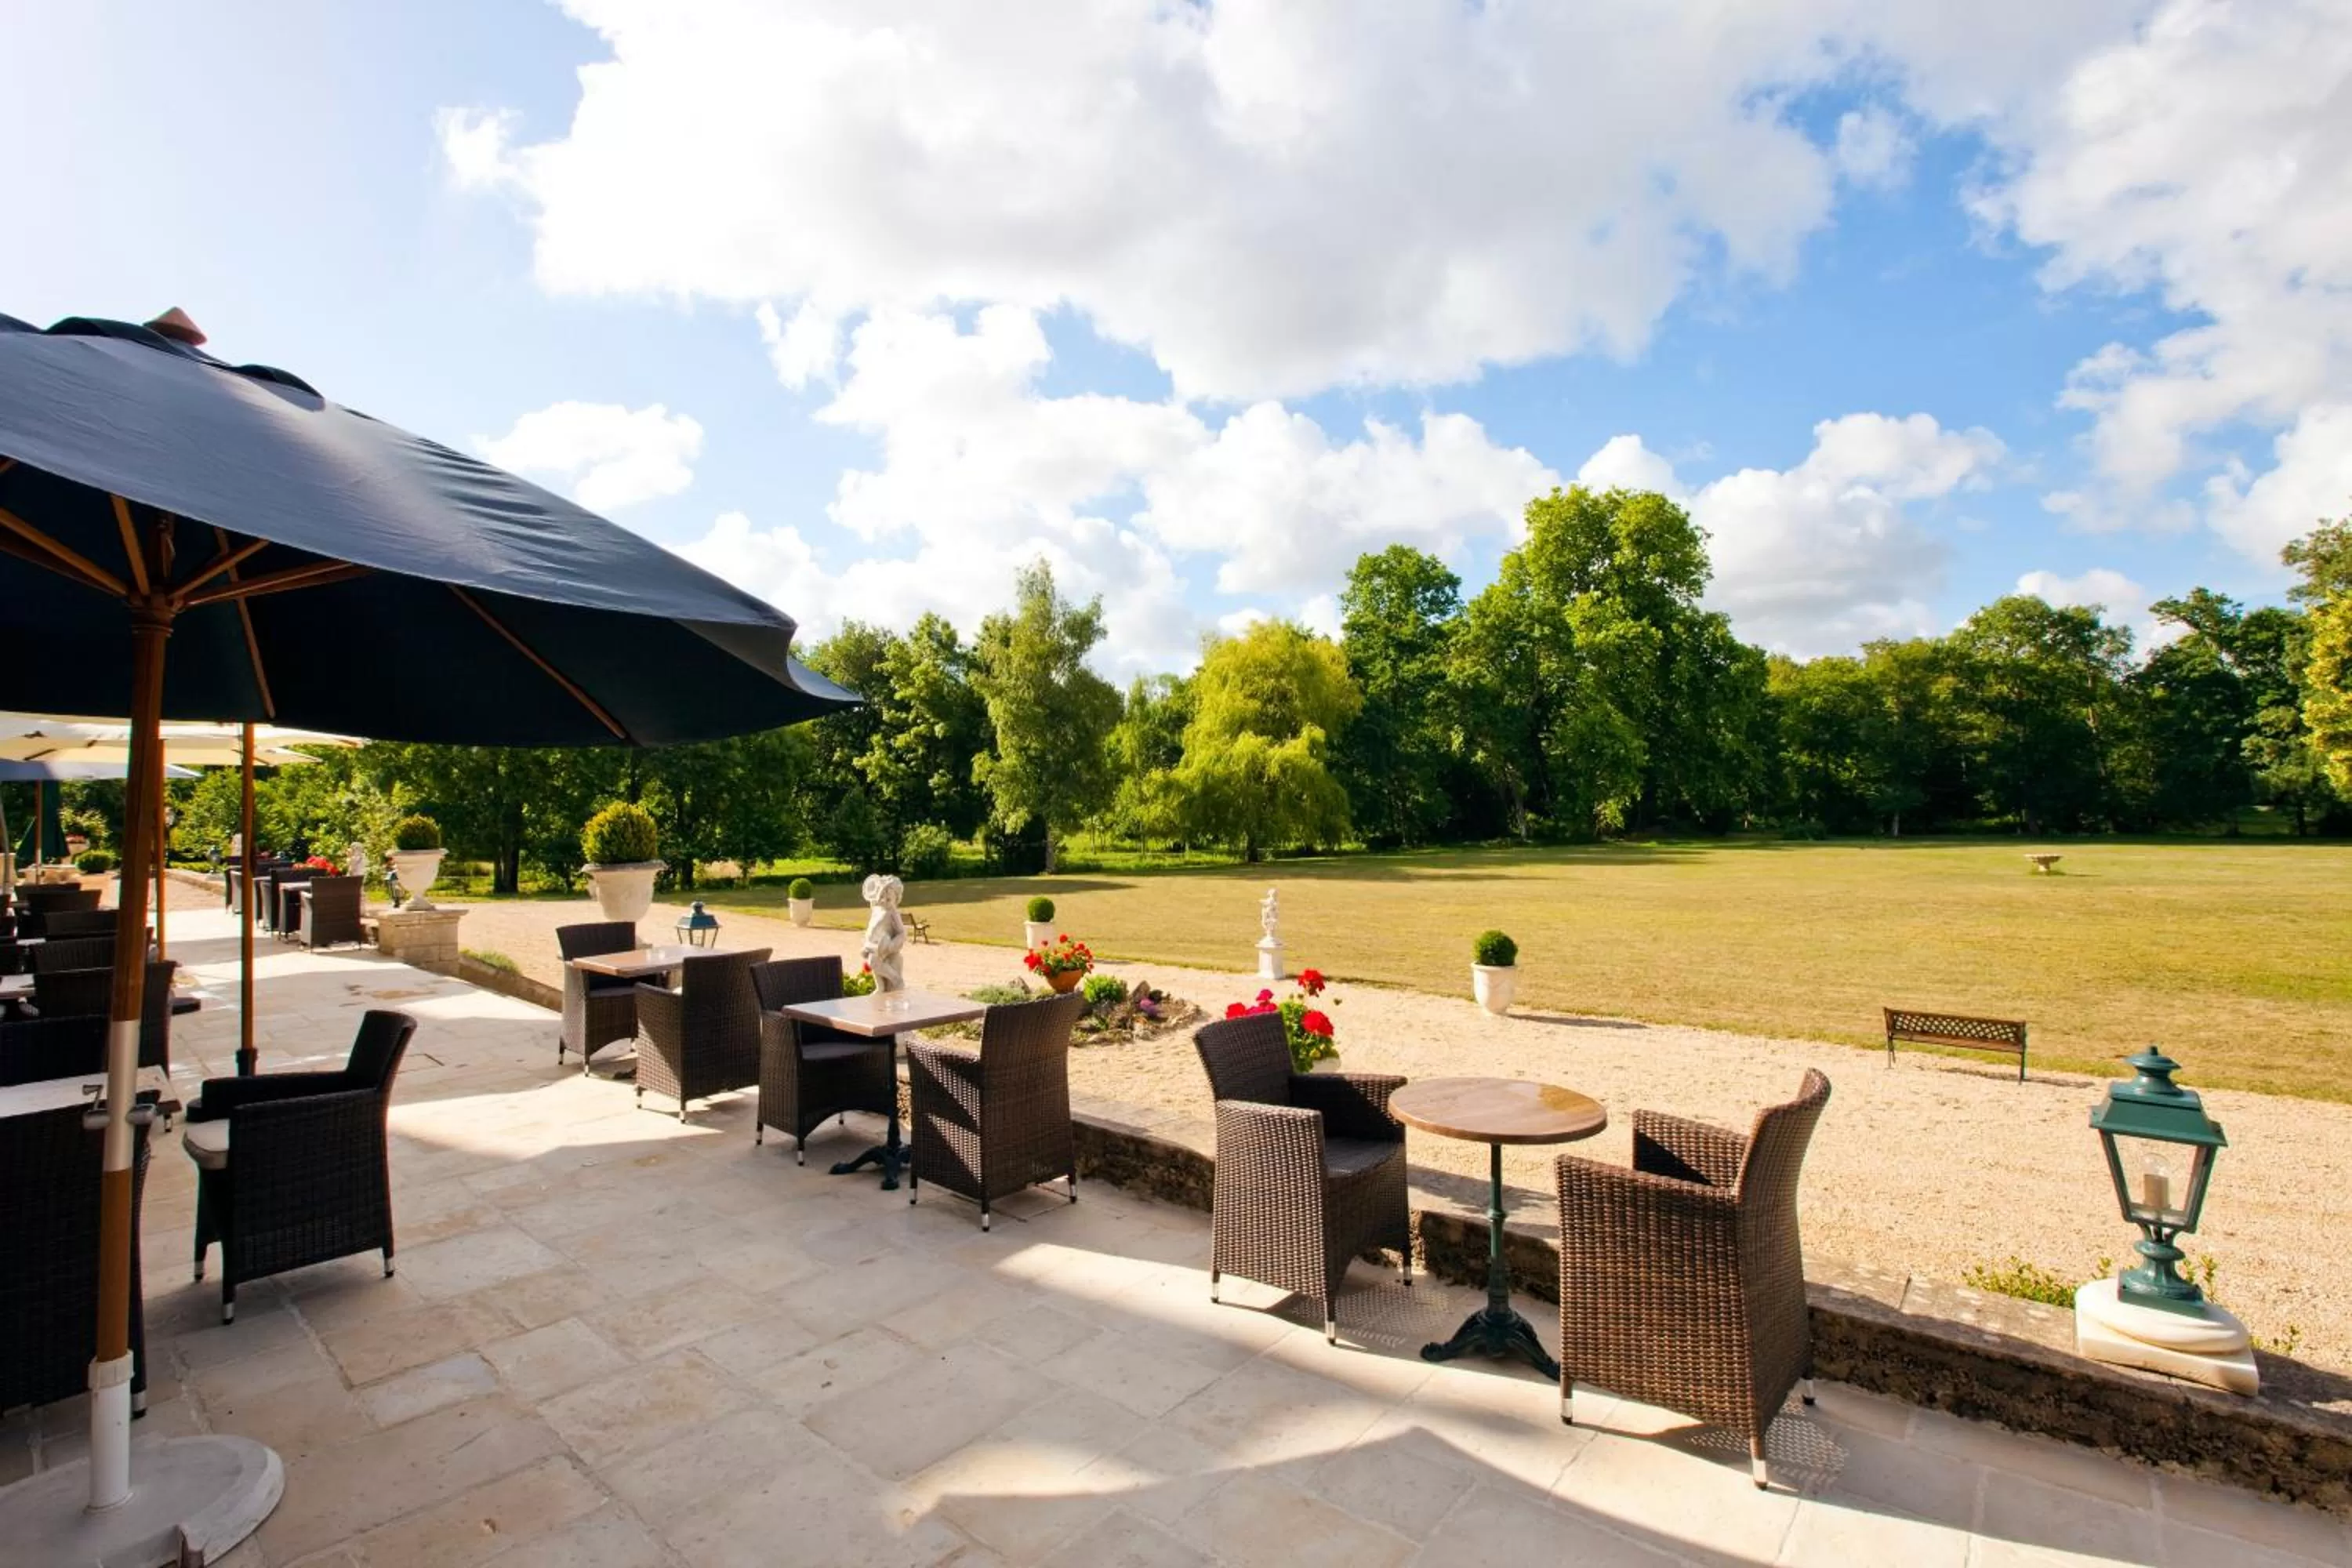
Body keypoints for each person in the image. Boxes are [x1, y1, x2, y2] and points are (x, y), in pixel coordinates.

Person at [862, 873, 907, 992]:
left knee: (873, 961)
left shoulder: (892, 913)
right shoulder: (877, 910)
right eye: (881, 897)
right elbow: (872, 928)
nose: (884, 901)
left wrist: (891, 946)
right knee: (872, 960)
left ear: (896, 899)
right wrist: (866, 944)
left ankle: (896, 979)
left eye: (889, 899)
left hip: (885, 946)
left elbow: (902, 933)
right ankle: (880, 987)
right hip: (873, 945)